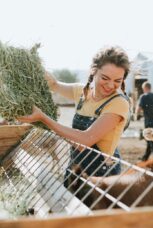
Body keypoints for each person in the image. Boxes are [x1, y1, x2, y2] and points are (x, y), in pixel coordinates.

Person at [18, 46, 131, 185]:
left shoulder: (119, 103)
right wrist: (32, 65)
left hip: (102, 176)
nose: (110, 85)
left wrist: (43, 118)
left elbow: (85, 140)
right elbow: (54, 85)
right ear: (93, 71)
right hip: (76, 167)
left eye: (117, 81)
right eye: (105, 78)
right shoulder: (82, 91)